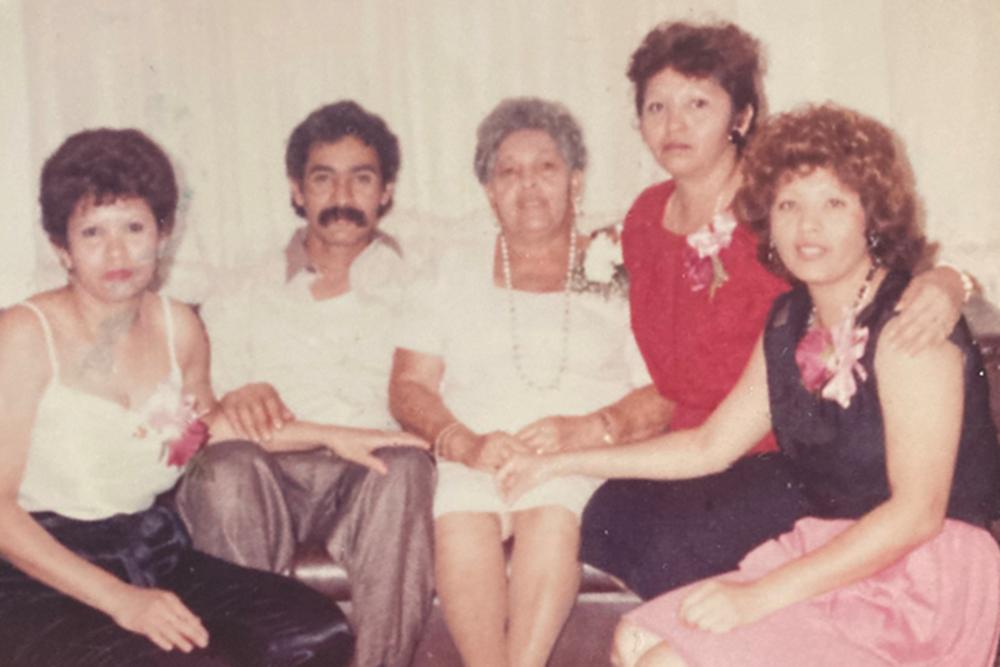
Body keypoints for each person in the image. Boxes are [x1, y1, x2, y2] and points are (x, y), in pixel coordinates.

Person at [499, 103, 1000, 666]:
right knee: (634, 641)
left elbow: (917, 514)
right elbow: (708, 446)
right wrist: (562, 463)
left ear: (873, 216)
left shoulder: (912, 323)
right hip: (836, 552)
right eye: (789, 205)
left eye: (834, 203)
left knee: (669, 661)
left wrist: (758, 597)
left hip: (921, 580)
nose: (807, 226)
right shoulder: (791, 320)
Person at [579, 20, 970, 600]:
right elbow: (676, 390)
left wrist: (953, 280)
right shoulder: (645, 218)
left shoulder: (779, 210)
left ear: (740, 116)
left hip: (788, 454)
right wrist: (579, 445)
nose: (674, 124)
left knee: (674, 543)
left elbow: (881, 278)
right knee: (607, 515)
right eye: (656, 106)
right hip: (705, 443)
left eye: (697, 103)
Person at [0, 128, 353, 666]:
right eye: (92, 232)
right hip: (39, 577)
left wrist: (336, 436)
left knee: (314, 632)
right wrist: (121, 601)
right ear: (61, 248)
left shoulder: (178, 326)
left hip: (150, 552)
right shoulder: (24, 335)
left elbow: (202, 432)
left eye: (134, 227)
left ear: (163, 233)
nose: (117, 251)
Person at [388, 97, 668, 667]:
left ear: (576, 180)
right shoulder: (448, 269)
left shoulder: (622, 267)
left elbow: (665, 392)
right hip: (475, 454)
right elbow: (408, 386)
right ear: (490, 191)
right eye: (509, 172)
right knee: (460, 522)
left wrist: (586, 430)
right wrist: (464, 443)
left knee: (551, 518)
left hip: (578, 456)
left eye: (546, 167)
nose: (529, 185)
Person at [174, 101, 435, 667]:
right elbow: (201, 426)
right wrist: (234, 397)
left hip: (370, 480)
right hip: (265, 469)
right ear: (297, 190)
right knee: (226, 469)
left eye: (361, 178)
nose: (342, 196)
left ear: (386, 191)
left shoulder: (423, 286)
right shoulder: (240, 288)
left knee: (406, 467)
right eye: (323, 178)